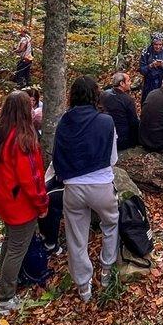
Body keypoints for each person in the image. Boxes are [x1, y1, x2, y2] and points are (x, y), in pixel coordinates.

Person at [53, 76, 119, 302]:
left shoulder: (64, 121)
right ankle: (107, 271)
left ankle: (84, 286)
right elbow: (113, 158)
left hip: (73, 187)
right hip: (101, 184)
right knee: (110, 224)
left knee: (76, 236)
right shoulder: (106, 121)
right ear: (95, 94)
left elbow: (57, 155)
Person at [0, 91, 49, 311]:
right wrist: (42, 204)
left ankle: (4, 282)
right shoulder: (23, 139)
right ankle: (6, 298)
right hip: (19, 203)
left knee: (10, 242)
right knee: (16, 248)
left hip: (4, 198)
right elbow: (32, 178)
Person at [102, 71, 140, 151]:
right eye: (129, 80)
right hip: (122, 140)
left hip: (105, 137)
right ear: (122, 83)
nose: (130, 83)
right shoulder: (127, 100)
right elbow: (133, 122)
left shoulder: (104, 94)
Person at [139, 33, 163, 102]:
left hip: (161, 84)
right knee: (147, 102)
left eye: (160, 44)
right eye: (156, 44)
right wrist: (151, 66)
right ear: (152, 43)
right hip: (148, 84)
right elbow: (142, 70)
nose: (158, 47)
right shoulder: (146, 52)